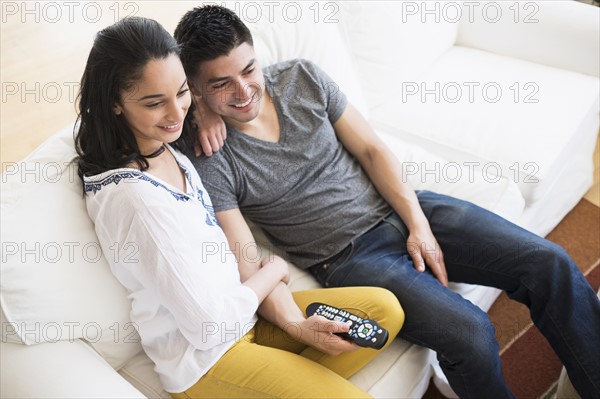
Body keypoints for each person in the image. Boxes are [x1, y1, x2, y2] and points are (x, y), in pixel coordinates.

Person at [173, 5, 600, 398]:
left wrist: (419, 224)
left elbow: (373, 151)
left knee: (549, 262)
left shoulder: (301, 77)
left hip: (409, 207)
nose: (245, 90)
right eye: (221, 84)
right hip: (350, 258)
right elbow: (244, 257)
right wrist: (199, 109)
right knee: (469, 332)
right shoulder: (210, 157)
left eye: (249, 70)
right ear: (193, 86)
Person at [75, 16, 404, 399]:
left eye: (181, 93)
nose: (175, 113)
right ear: (115, 103)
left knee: (383, 310)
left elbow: (204, 85)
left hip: (245, 317)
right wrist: (272, 273)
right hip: (208, 357)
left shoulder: (165, 147)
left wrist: (205, 108)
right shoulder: (135, 200)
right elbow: (208, 328)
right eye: (154, 103)